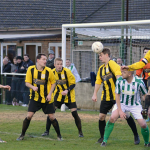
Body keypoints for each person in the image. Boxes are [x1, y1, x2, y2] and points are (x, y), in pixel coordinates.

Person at [92, 48, 140, 144]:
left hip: (117, 96)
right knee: (101, 116)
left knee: (126, 115)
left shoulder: (113, 65)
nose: (99, 57)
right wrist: (94, 94)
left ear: (106, 55)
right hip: (106, 97)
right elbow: (98, 81)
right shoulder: (101, 69)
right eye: (99, 56)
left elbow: (119, 77)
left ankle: (136, 135)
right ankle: (102, 137)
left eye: (101, 55)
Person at [17, 53, 62, 141]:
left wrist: (49, 94)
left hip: (47, 98)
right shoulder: (31, 69)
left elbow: (54, 83)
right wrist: (33, 87)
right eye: (43, 59)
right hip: (35, 98)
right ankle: (22, 135)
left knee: (52, 117)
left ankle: (59, 135)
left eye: (46, 59)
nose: (45, 61)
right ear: (38, 60)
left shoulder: (49, 70)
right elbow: (27, 83)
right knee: (29, 116)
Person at [101, 69, 150, 147]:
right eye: (122, 71)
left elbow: (145, 95)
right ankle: (104, 141)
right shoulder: (120, 80)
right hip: (121, 103)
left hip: (135, 105)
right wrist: (120, 111)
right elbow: (117, 95)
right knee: (112, 118)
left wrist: (148, 108)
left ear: (130, 74)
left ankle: (147, 143)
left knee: (143, 124)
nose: (121, 73)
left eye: (124, 72)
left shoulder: (139, 82)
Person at [42, 58, 83, 137]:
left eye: (61, 64)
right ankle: (47, 131)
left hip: (69, 96)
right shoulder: (52, 72)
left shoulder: (67, 72)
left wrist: (67, 90)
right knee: (51, 113)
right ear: (54, 65)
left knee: (74, 113)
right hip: (57, 96)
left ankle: (80, 132)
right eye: (58, 64)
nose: (59, 66)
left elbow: (73, 84)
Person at [121, 47, 150, 124]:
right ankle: (146, 111)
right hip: (146, 79)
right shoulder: (148, 55)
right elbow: (141, 64)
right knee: (147, 94)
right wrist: (129, 67)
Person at [136, 48, 150, 122]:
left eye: (147, 52)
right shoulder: (142, 61)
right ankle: (145, 114)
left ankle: (148, 114)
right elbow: (138, 71)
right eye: (145, 52)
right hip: (144, 80)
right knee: (145, 98)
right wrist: (136, 78)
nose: (146, 53)